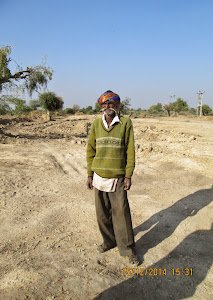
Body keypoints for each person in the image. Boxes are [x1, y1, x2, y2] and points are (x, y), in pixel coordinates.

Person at [86, 90, 139, 265]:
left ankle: (128, 248)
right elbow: (90, 151)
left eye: (111, 103)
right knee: (102, 215)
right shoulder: (95, 124)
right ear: (101, 106)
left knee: (121, 214)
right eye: (104, 104)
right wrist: (89, 175)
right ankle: (109, 241)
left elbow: (130, 150)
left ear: (117, 105)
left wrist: (128, 175)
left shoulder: (125, 123)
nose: (107, 107)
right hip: (99, 177)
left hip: (117, 177)